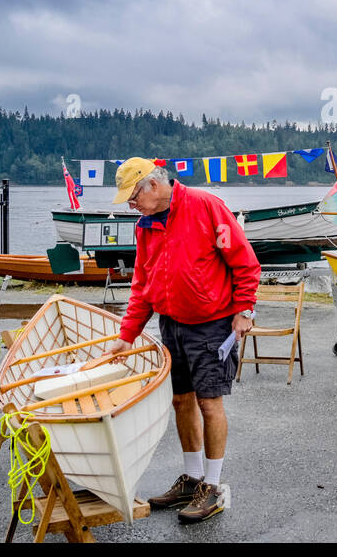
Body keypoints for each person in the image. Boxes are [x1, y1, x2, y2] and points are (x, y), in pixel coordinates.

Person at [104, 157, 260, 524]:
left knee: (209, 403)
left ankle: (214, 487)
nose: (131, 205)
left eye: (133, 197)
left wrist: (245, 309)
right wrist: (126, 336)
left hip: (211, 324)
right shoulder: (146, 225)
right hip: (171, 322)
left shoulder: (206, 207)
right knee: (180, 400)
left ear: (153, 187)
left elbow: (245, 263)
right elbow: (142, 284)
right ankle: (192, 479)